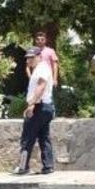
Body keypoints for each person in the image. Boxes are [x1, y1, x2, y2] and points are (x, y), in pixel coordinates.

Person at [14, 47, 55, 175]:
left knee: (27, 138)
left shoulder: (42, 68)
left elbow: (41, 86)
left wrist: (31, 104)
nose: (28, 60)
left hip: (39, 106)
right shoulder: (39, 69)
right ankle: (48, 166)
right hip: (44, 106)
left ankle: (23, 166)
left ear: (39, 57)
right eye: (27, 58)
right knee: (44, 137)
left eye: (31, 58)